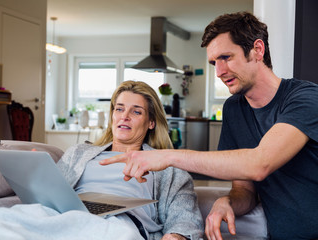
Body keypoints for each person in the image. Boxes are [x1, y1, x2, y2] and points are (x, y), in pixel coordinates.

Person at [100, 12, 318, 240]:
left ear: (258, 50)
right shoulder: (234, 109)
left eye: (226, 57)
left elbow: (260, 163)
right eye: (214, 62)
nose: (219, 72)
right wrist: (229, 201)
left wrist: (169, 157)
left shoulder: (305, 98)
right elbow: (245, 189)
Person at [58, 80, 203, 240]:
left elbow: (185, 215)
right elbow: (49, 194)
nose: (124, 116)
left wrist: (177, 235)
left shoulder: (167, 167)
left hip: (119, 222)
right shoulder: (77, 153)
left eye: (136, 112)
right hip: (69, 214)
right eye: (119, 109)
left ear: (151, 123)